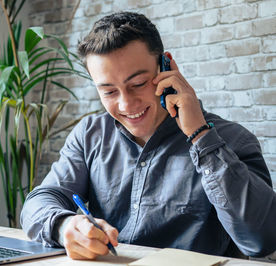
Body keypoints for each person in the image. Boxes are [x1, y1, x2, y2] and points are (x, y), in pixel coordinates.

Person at [20, 11, 276, 260]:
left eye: (138, 84)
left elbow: (261, 240)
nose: (126, 104)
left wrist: (200, 135)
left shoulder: (232, 140)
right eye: (109, 92)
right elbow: (39, 202)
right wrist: (65, 226)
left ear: (166, 66)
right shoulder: (90, 135)